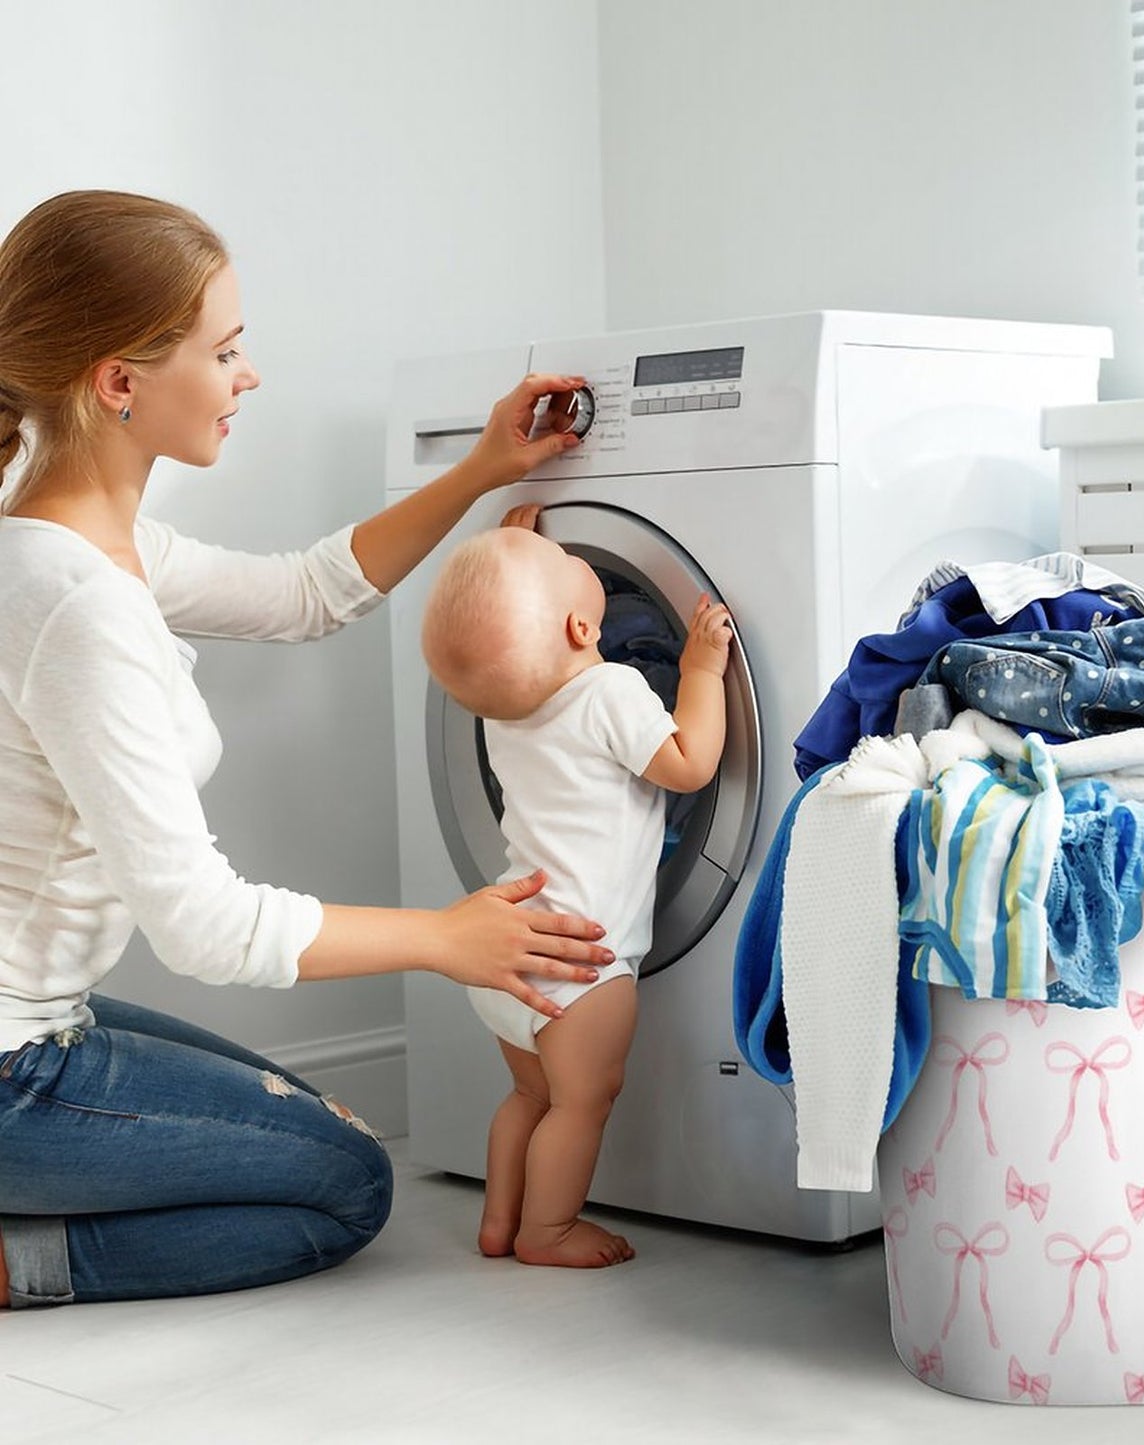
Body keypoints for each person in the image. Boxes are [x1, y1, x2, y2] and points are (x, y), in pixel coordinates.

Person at [0, 189, 617, 1309]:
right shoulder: (76, 602)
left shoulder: (77, 538)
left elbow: (305, 593)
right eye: (225, 350)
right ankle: (17, 1257)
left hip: (37, 1017)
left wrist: (484, 467)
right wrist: (445, 937)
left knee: (307, 1120)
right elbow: (203, 922)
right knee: (343, 1182)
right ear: (119, 381)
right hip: (13, 1067)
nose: (251, 376)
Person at [421, 518, 731, 1267]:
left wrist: (510, 558)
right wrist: (697, 672)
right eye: (564, 558)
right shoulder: (612, 689)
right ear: (583, 625)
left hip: (510, 945)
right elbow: (687, 764)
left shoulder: (503, 709)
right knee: (582, 1102)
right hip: (582, 963)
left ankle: (498, 1220)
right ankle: (547, 1229)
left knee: (528, 1098)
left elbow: (503, 643)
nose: (570, 552)